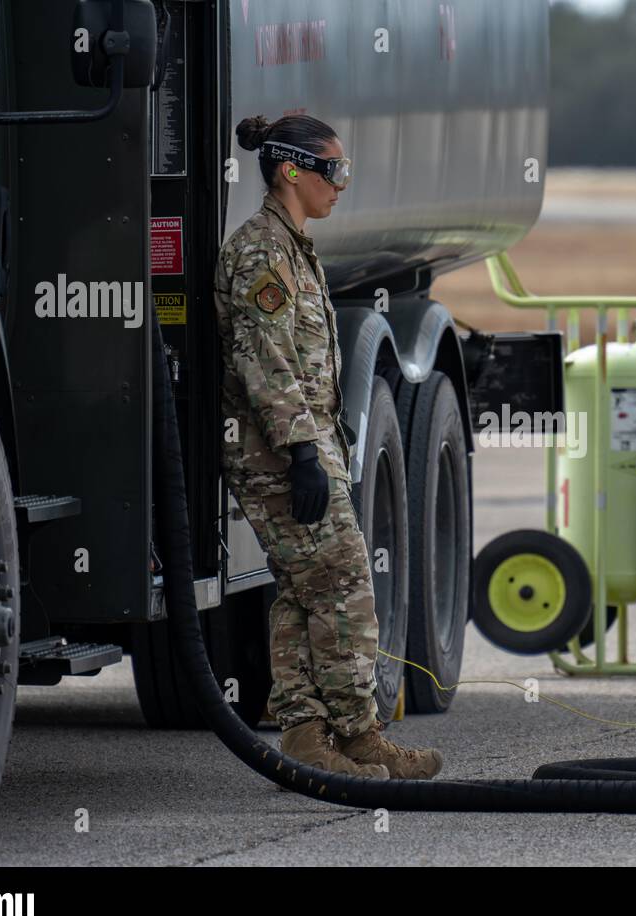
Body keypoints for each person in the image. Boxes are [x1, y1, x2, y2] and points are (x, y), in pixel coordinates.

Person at [214, 113, 443, 780]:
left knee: (301, 593)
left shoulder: (292, 247)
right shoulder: (261, 252)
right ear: (291, 170)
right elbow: (265, 361)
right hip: (278, 457)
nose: (341, 184)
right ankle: (360, 734)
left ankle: (310, 740)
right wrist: (303, 453)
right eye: (333, 170)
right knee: (344, 584)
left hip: (296, 448)